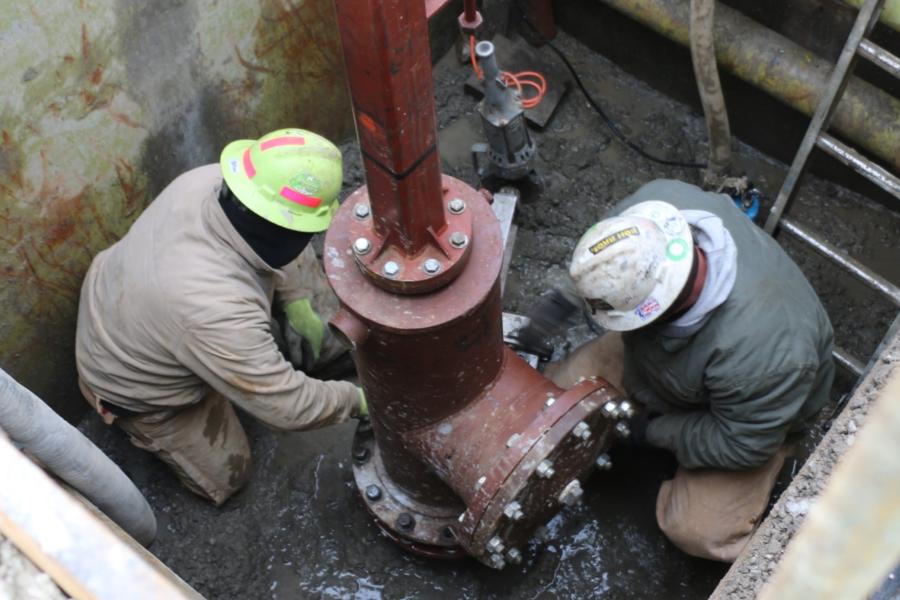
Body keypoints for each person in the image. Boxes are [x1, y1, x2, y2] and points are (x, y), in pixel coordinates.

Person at [547, 179, 834, 562]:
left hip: (748, 418)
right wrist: (550, 315)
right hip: (659, 352)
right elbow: (602, 269)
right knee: (558, 395)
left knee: (696, 530)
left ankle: (787, 561)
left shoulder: (768, 355)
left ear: (655, 308)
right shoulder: (652, 210)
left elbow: (740, 443)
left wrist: (649, 431)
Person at [76, 128, 366, 505]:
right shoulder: (214, 307)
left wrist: (297, 301)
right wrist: (358, 402)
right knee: (231, 474)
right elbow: (288, 408)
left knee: (303, 297)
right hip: (133, 381)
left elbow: (280, 233)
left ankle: (297, 357)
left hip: (141, 299)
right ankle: (160, 426)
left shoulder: (218, 181)